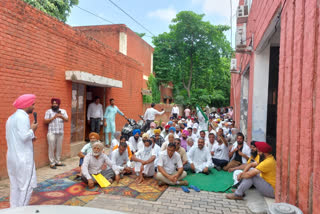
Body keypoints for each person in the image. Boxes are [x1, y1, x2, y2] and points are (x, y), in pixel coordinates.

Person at [6, 94, 38, 208]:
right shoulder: (23, 117)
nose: (34, 107)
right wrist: (32, 130)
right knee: (27, 186)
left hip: (12, 158)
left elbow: (14, 138)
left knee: (15, 186)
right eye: (33, 104)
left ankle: (13, 209)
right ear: (27, 105)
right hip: (23, 159)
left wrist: (31, 136)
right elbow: (24, 136)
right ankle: (21, 210)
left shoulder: (11, 118)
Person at [44, 98, 69, 169]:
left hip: (60, 132)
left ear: (58, 104)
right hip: (51, 132)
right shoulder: (48, 112)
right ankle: (52, 162)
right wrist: (53, 117)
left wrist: (62, 116)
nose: (54, 105)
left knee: (59, 147)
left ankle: (58, 161)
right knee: (51, 147)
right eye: (53, 103)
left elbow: (67, 119)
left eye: (56, 104)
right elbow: (45, 121)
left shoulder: (63, 111)